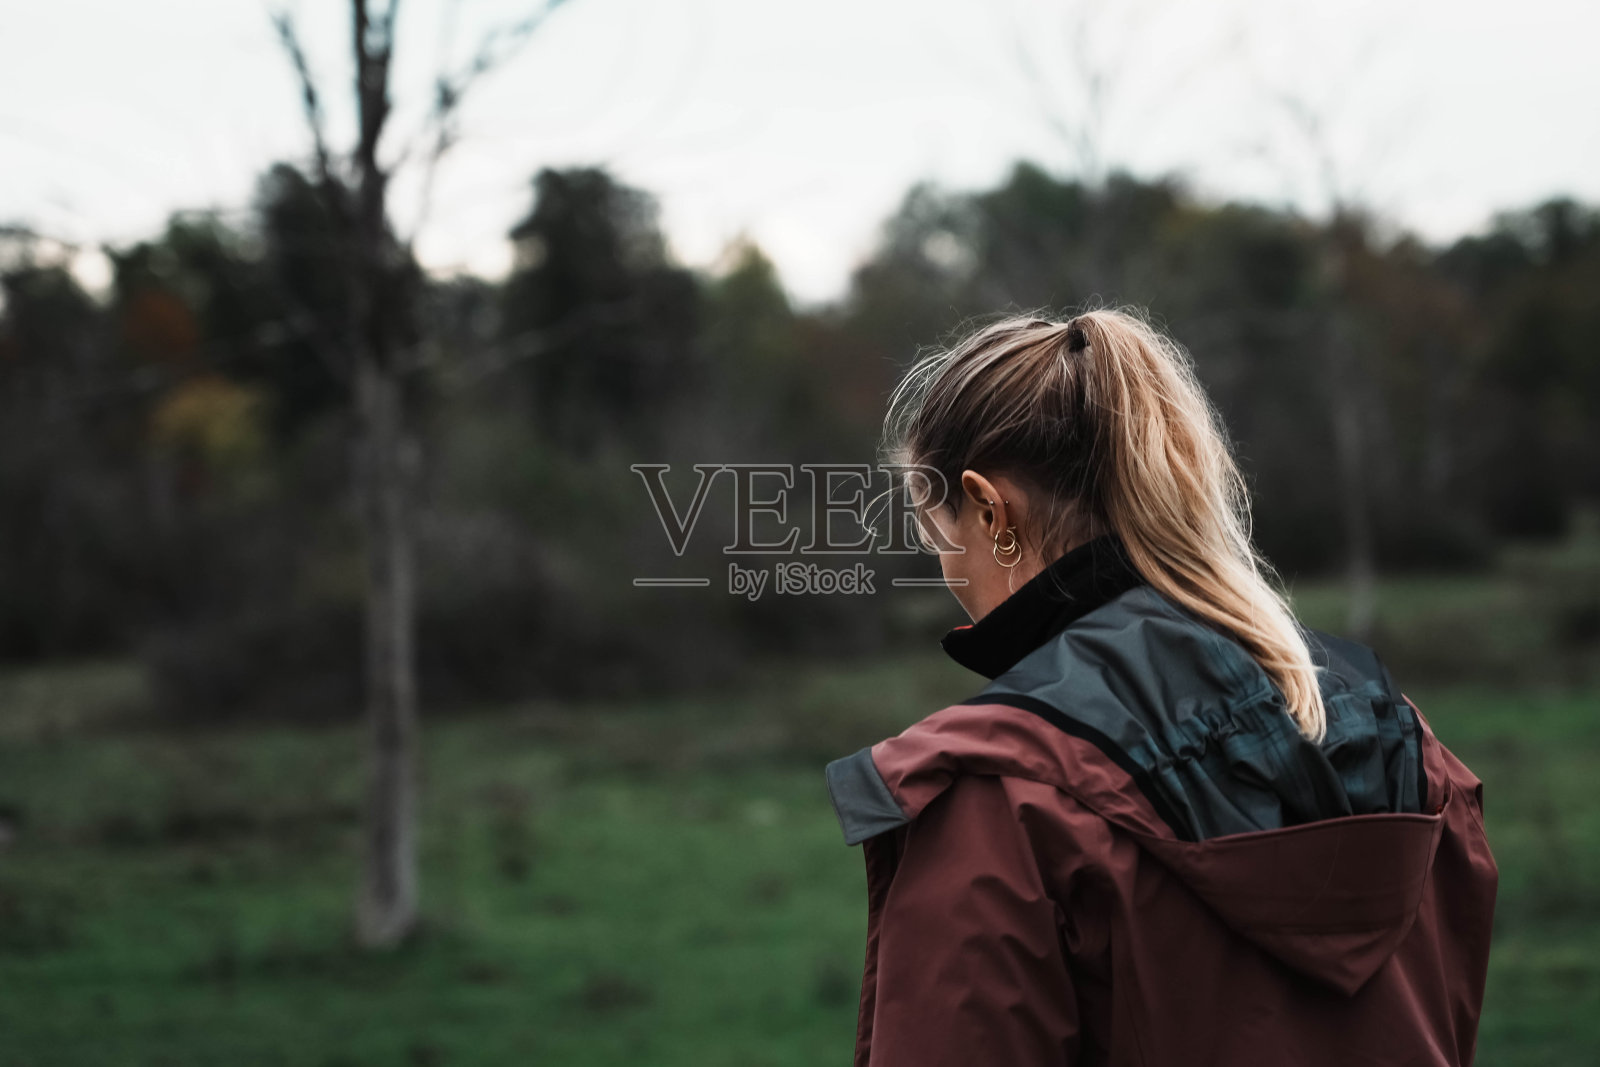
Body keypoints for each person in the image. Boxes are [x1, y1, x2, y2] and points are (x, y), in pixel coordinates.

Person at [824, 309, 1498, 1067]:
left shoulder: (1003, 794)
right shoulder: (1401, 741)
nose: (947, 572)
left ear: (989, 510)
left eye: (936, 537)